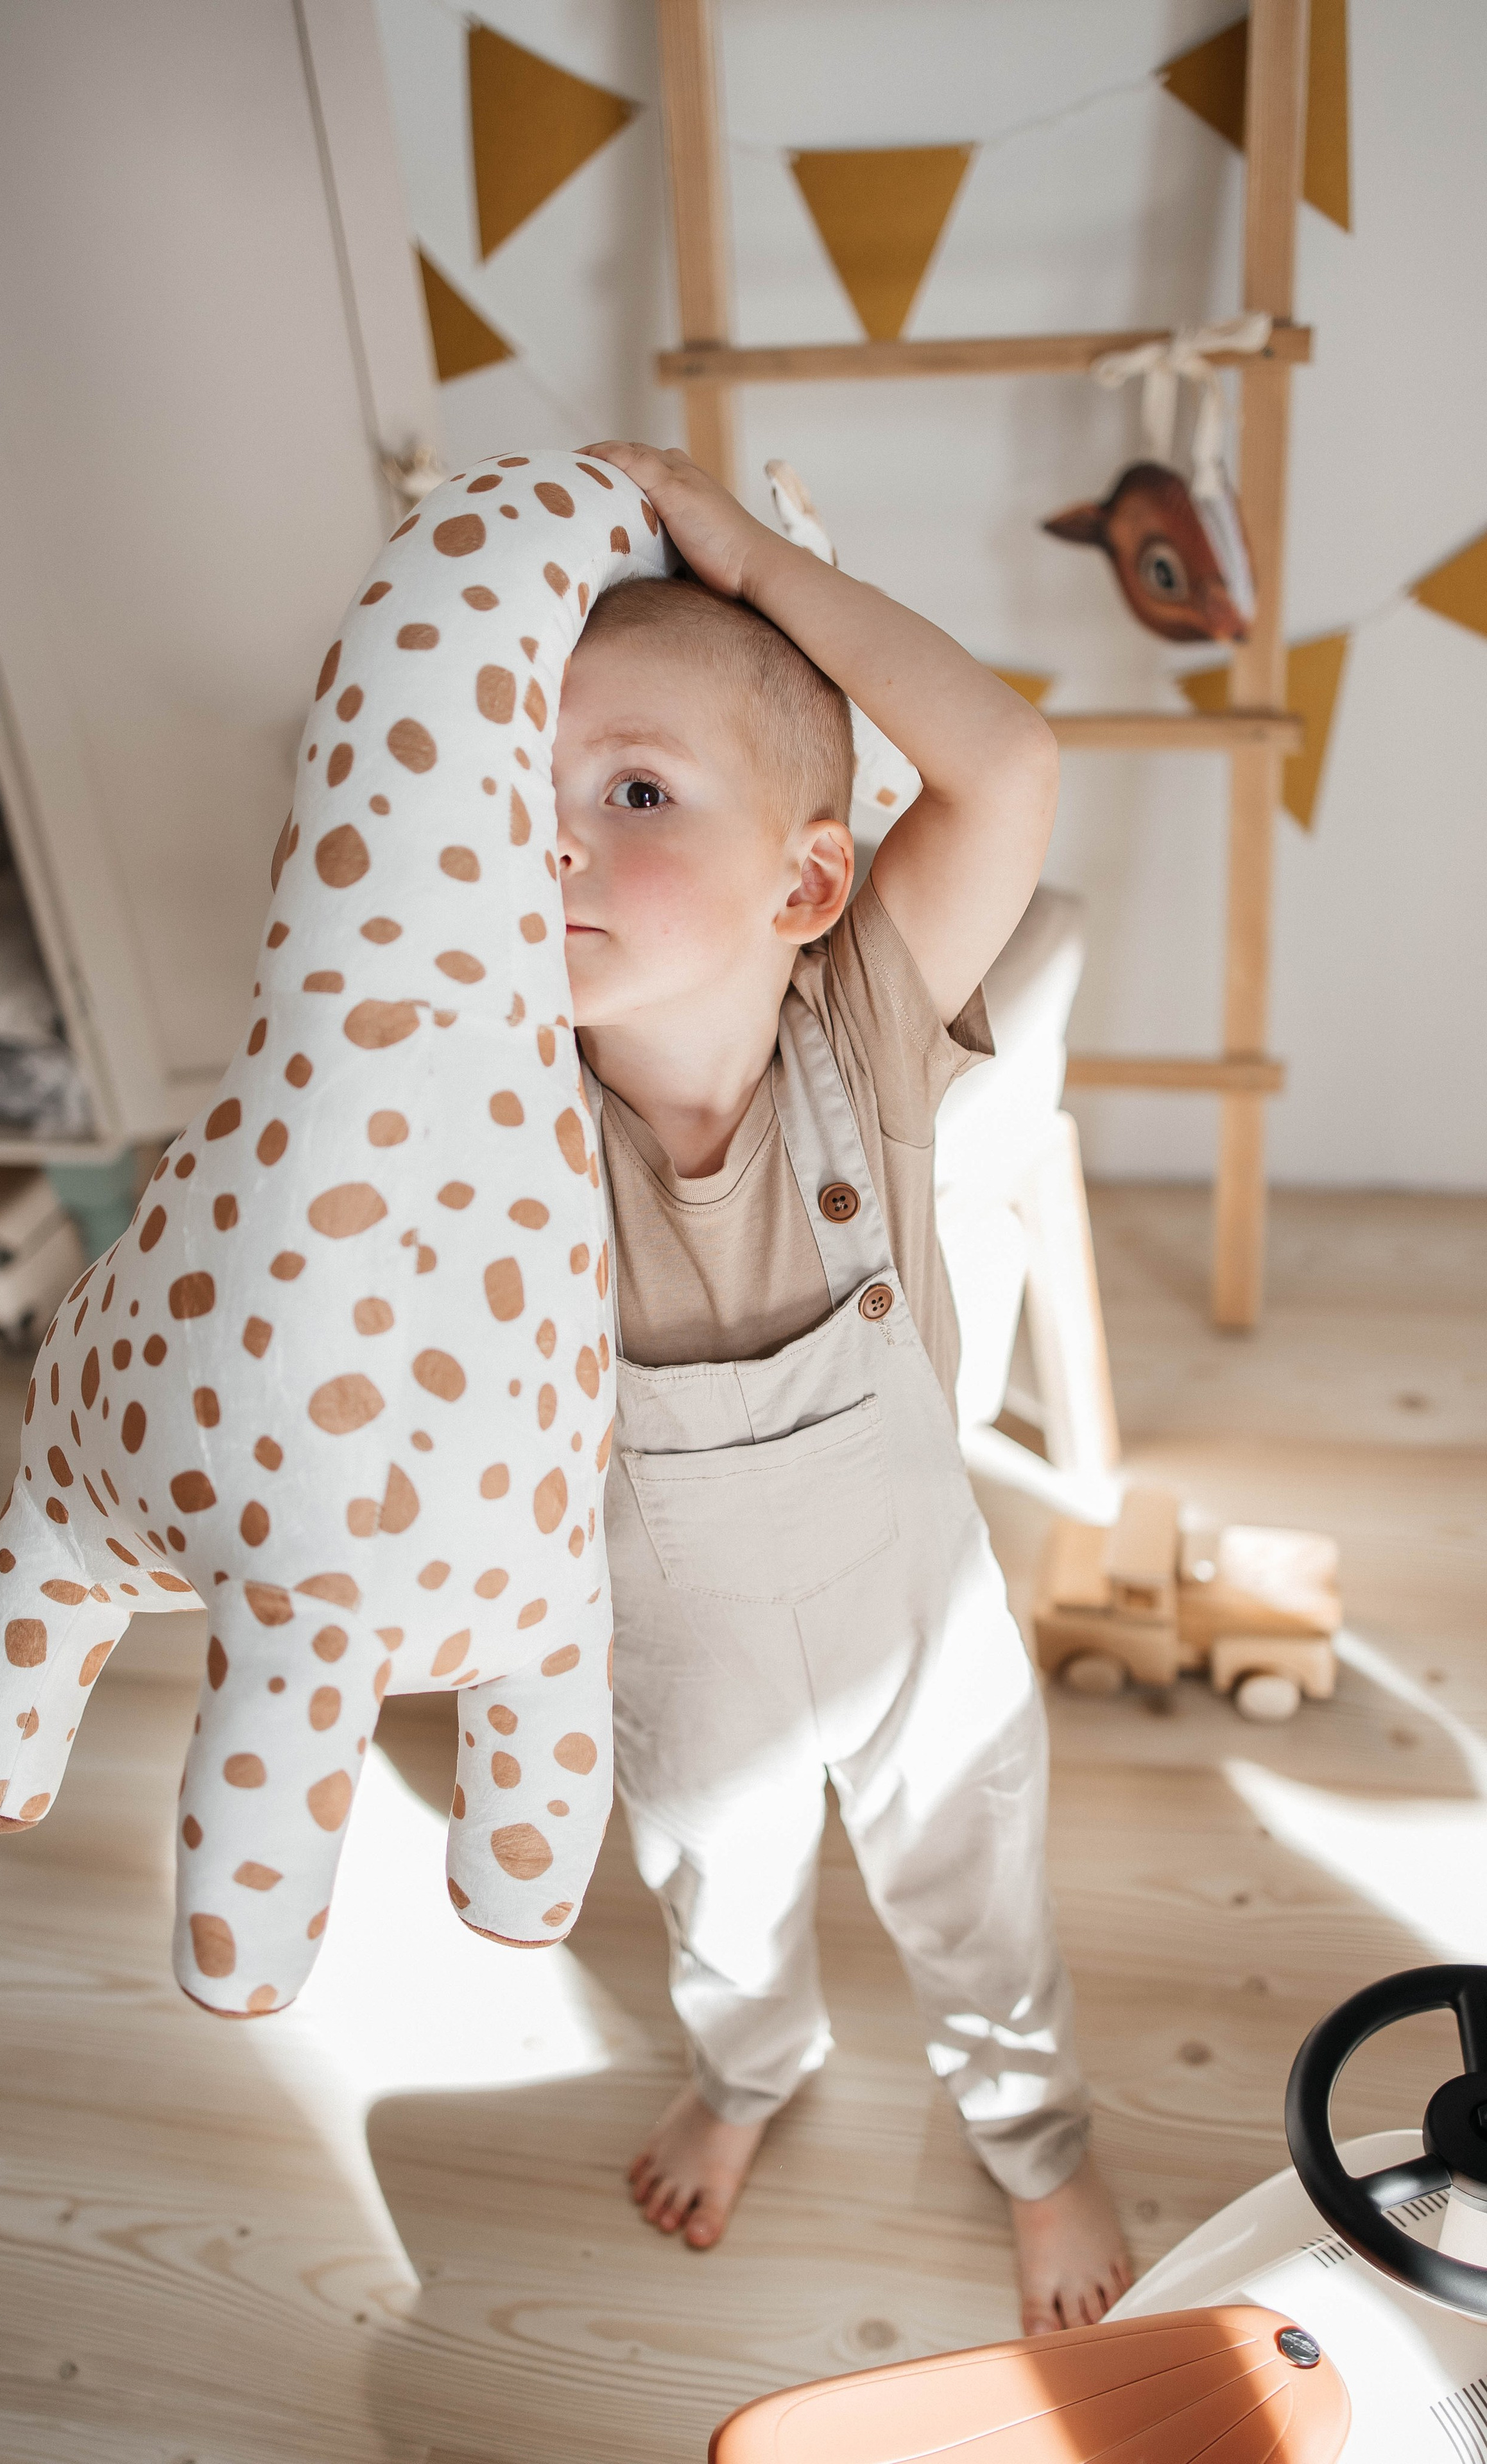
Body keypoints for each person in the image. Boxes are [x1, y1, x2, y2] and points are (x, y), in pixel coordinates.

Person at [554, 441, 1130, 2336]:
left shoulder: (864, 1008)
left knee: (973, 1881)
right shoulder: (502, 1113)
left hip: (912, 1596)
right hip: (674, 1629)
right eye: (522, 797)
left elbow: (1008, 768)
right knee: (716, 1888)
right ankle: (751, 2069)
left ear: (806, 878)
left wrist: (758, 573)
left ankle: (1037, 2142)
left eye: (631, 790)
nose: (555, 840)